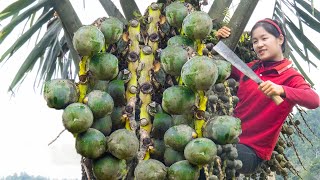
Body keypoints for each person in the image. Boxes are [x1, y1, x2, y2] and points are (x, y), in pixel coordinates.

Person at [228, 18, 320, 174]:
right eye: (255, 41)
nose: (259, 45)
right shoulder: (251, 69)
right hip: (229, 139)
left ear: (280, 39)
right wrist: (220, 38)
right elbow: (221, 67)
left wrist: (282, 90)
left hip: (252, 152)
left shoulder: (290, 76)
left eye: (264, 38)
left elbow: (314, 100)